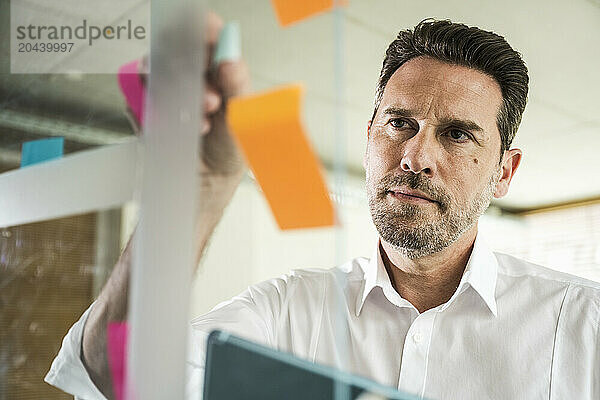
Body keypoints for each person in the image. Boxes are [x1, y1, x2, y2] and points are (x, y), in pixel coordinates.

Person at [45, 13, 600, 400]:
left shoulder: (582, 326)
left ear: (505, 171)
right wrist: (195, 187)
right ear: (368, 136)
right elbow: (116, 374)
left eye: (456, 135)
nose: (414, 156)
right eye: (399, 123)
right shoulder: (290, 311)